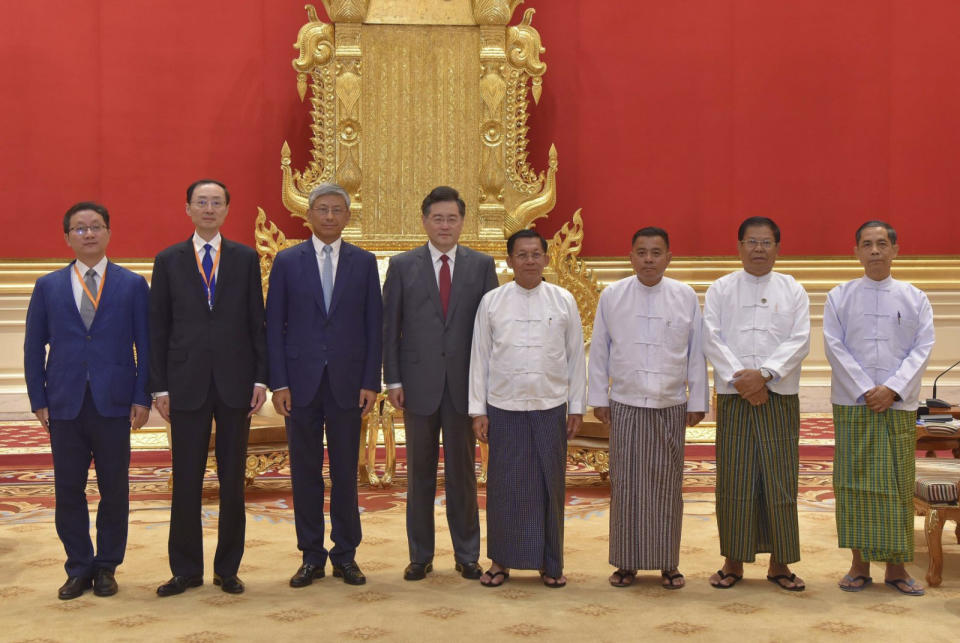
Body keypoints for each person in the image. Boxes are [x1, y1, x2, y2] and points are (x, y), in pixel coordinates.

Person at [24, 202, 150, 600]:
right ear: (67, 237)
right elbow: (32, 347)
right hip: (64, 403)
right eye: (80, 229)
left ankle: (108, 565)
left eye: (96, 227)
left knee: (115, 489)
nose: (89, 234)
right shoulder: (48, 286)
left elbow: (145, 348)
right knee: (69, 490)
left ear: (109, 233)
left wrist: (141, 396)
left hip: (114, 402)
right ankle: (78, 566)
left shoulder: (132, 285)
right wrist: (37, 398)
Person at [150, 179, 267, 596]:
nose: (209, 208)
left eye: (217, 202)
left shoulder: (244, 258)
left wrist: (260, 378)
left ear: (227, 209)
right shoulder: (168, 260)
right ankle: (185, 569)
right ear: (187, 208)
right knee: (187, 478)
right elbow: (157, 327)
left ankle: (227, 568)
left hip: (236, 384)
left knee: (233, 479)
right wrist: (159, 387)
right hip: (185, 384)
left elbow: (257, 321)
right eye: (202, 202)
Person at [266, 182, 382, 587]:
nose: (330, 216)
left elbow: (374, 327)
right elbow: (274, 327)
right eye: (322, 210)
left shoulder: (364, 263)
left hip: (350, 385)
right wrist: (278, 383)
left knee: (347, 472)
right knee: (305, 472)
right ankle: (311, 555)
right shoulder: (286, 261)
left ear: (347, 217)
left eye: (337, 210)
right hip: (299, 386)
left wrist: (371, 381)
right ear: (309, 215)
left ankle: (346, 554)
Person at [382, 186, 499, 581]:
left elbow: (490, 332)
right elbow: (390, 328)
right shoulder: (402, 265)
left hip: (466, 388)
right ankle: (420, 555)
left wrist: (485, 389)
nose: (445, 225)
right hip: (416, 386)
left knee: (463, 474)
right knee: (419, 473)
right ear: (425, 221)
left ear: (463, 222)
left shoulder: (482, 266)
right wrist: (393, 379)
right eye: (438, 218)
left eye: (452, 218)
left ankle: (467, 554)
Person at [588, 227, 708, 590]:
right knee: (625, 484)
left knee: (666, 486)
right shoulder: (613, 295)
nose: (649, 260)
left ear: (669, 257)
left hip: (670, 402)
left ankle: (668, 563)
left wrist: (697, 399)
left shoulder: (685, 296)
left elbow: (696, 351)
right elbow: (600, 350)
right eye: (642, 252)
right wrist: (598, 398)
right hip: (625, 401)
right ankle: (626, 563)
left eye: (656, 253)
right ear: (631, 256)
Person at [469, 229, 586, 588]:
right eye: (522, 255)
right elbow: (480, 358)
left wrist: (576, 407)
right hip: (504, 406)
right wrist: (479, 410)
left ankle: (550, 564)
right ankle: (500, 561)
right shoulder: (492, 301)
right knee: (504, 487)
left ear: (547, 259)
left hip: (550, 406)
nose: (530, 261)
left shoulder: (563, 299)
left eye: (536, 254)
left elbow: (575, 358)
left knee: (550, 486)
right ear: (510, 261)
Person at [824, 221, 933, 596]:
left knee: (898, 485)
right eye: (867, 244)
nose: (874, 251)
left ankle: (897, 568)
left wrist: (893, 389)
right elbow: (834, 346)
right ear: (856, 251)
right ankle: (858, 565)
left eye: (881, 244)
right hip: (854, 403)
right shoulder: (840, 295)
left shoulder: (914, 297)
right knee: (853, 484)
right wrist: (866, 389)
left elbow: (922, 348)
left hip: (898, 405)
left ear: (895, 250)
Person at [702, 216, 810, 591]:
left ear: (778, 249)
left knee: (780, 479)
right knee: (734, 478)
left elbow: (800, 340)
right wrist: (744, 381)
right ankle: (732, 562)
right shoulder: (720, 289)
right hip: (735, 397)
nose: (759, 250)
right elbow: (711, 338)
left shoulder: (793, 290)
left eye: (766, 243)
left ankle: (780, 564)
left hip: (778, 395)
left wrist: (764, 375)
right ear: (739, 247)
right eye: (752, 242)